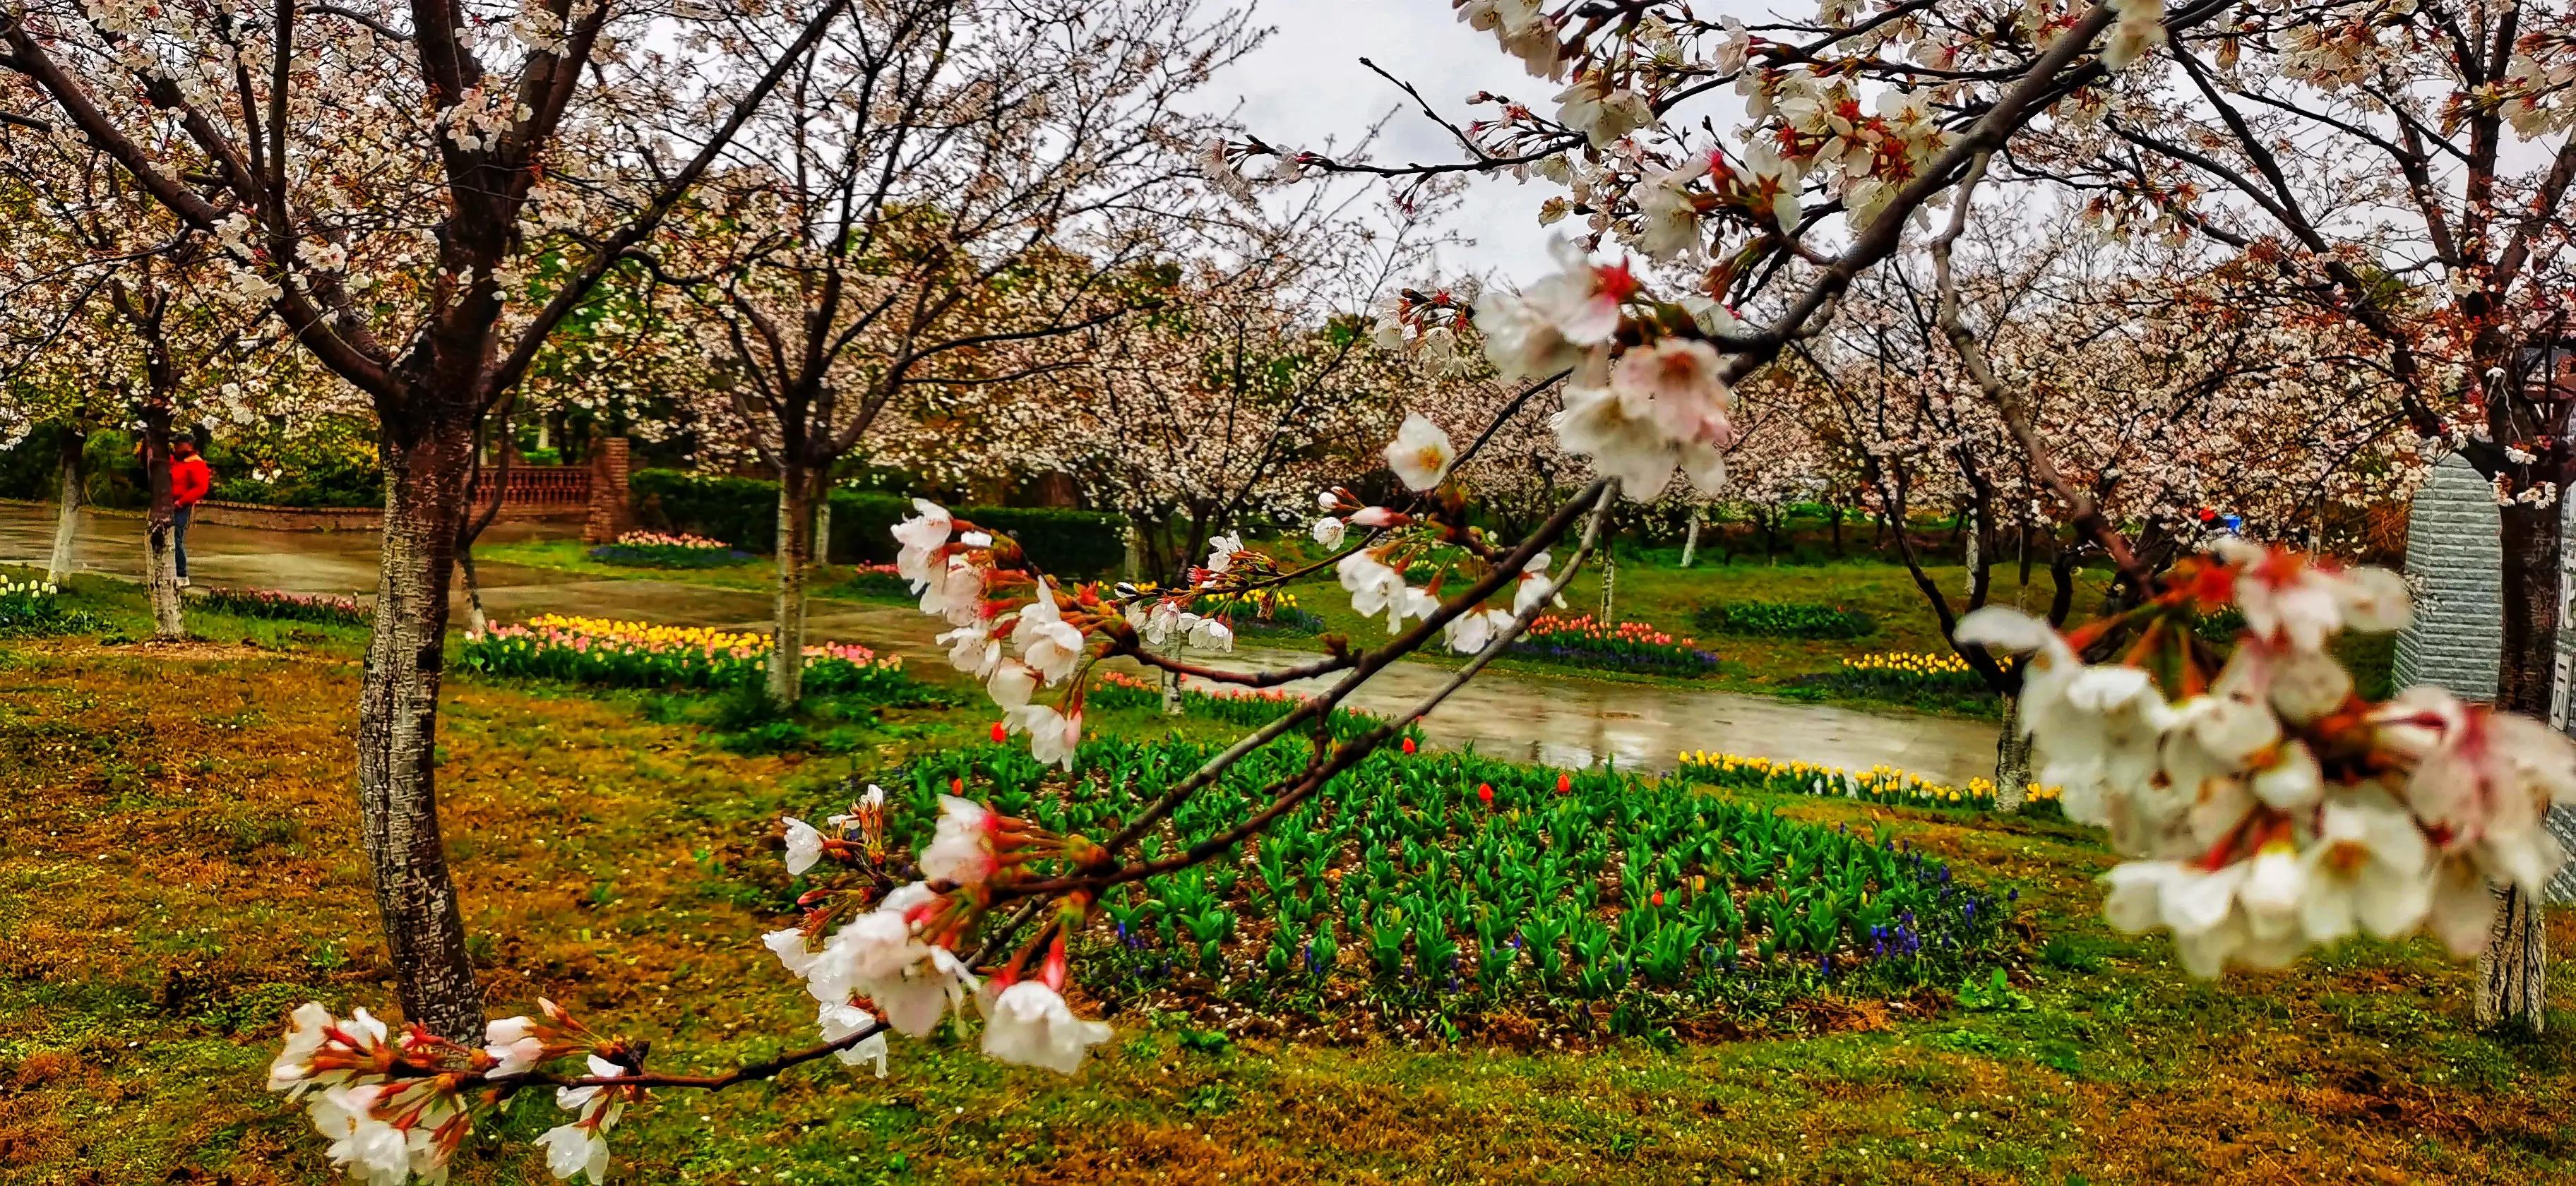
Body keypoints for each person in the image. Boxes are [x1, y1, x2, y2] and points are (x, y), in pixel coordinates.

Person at [168, 438, 211, 587]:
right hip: (168, 504)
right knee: (167, 538)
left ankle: (181, 574)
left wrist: (182, 501)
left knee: (176, 538)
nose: (176, 447)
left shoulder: (196, 464)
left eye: (179, 444)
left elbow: (200, 488)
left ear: (189, 445)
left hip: (181, 506)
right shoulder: (177, 461)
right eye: (175, 444)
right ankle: (170, 571)